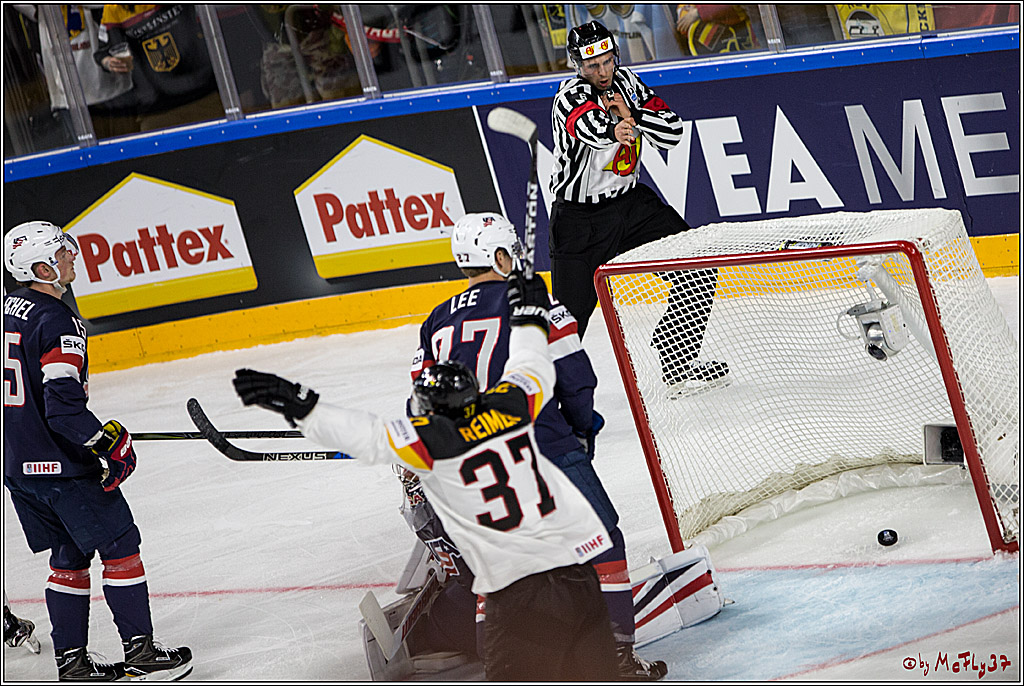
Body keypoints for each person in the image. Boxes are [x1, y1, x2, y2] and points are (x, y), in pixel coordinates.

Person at [232, 269, 619, 681]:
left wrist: (299, 404)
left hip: (516, 595)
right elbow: (529, 366)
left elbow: (366, 435)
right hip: (580, 578)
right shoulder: (512, 407)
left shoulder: (432, 444)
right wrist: (525, 316)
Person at [409, 211, 667, 679]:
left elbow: (422, 397)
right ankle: (615, 659)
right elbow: (575, 377)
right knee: (602, 542)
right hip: (542, 442)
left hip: (475, 458)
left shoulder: (435, 322)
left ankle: (502, 669)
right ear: (500, 255)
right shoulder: (536, 302)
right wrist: (582, 430)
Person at [3, 221, 192, 682]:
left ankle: (73, 666)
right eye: (63, 252)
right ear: (43, 267)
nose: (73, 255)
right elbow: (64, 410)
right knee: (121, 546)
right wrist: (111, 442)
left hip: (18, 466)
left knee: (68, 554)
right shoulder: (56, 319)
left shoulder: (7, 311)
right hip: (63, 466)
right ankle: (142, 653)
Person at [548, 19, 728, 392]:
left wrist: (632, 113)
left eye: (607, 61)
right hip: (580, 220)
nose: (602, 72)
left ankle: (677, 363)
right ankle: (549, 398)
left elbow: (673, 130)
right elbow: (595, 131)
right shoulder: (568, 96)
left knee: (695, 266)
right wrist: (619, 124)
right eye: (592, 66)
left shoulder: (629, 83)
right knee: (567, 320)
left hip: (631, 206)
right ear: (577, 66)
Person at [95, 4, 223, 132]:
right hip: (156, 109)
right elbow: (104, 52)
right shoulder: (114, 8)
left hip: (203, 93)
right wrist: (108, 62)